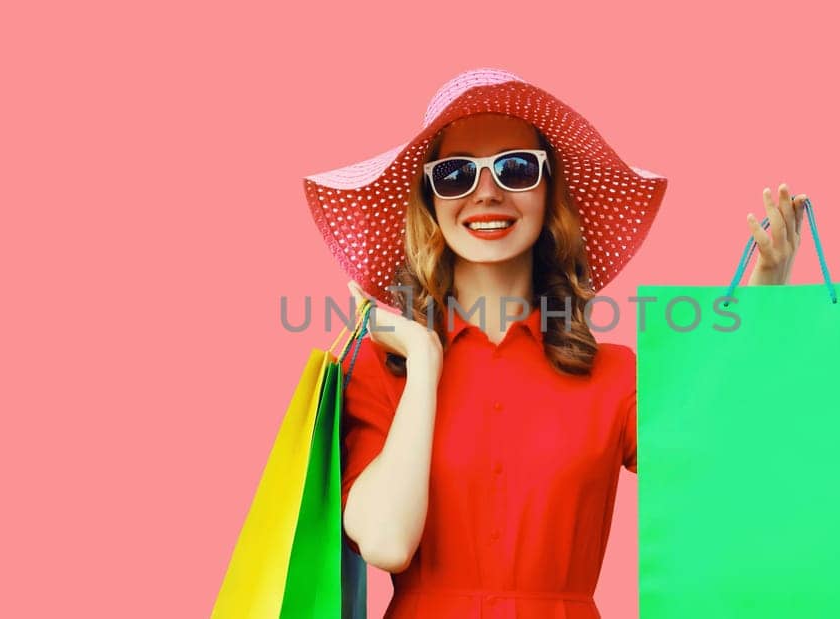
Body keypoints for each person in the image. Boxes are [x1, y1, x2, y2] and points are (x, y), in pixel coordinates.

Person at [302, 68, 808, 618]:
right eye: (455, 175)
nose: (487, 192)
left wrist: (764, 302)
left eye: (516, 169)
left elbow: (715, 456)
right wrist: (424, 360)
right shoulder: (384, 368)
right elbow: (385, 543)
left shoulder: (614, 374)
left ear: (549, 194)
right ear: (430, 201)